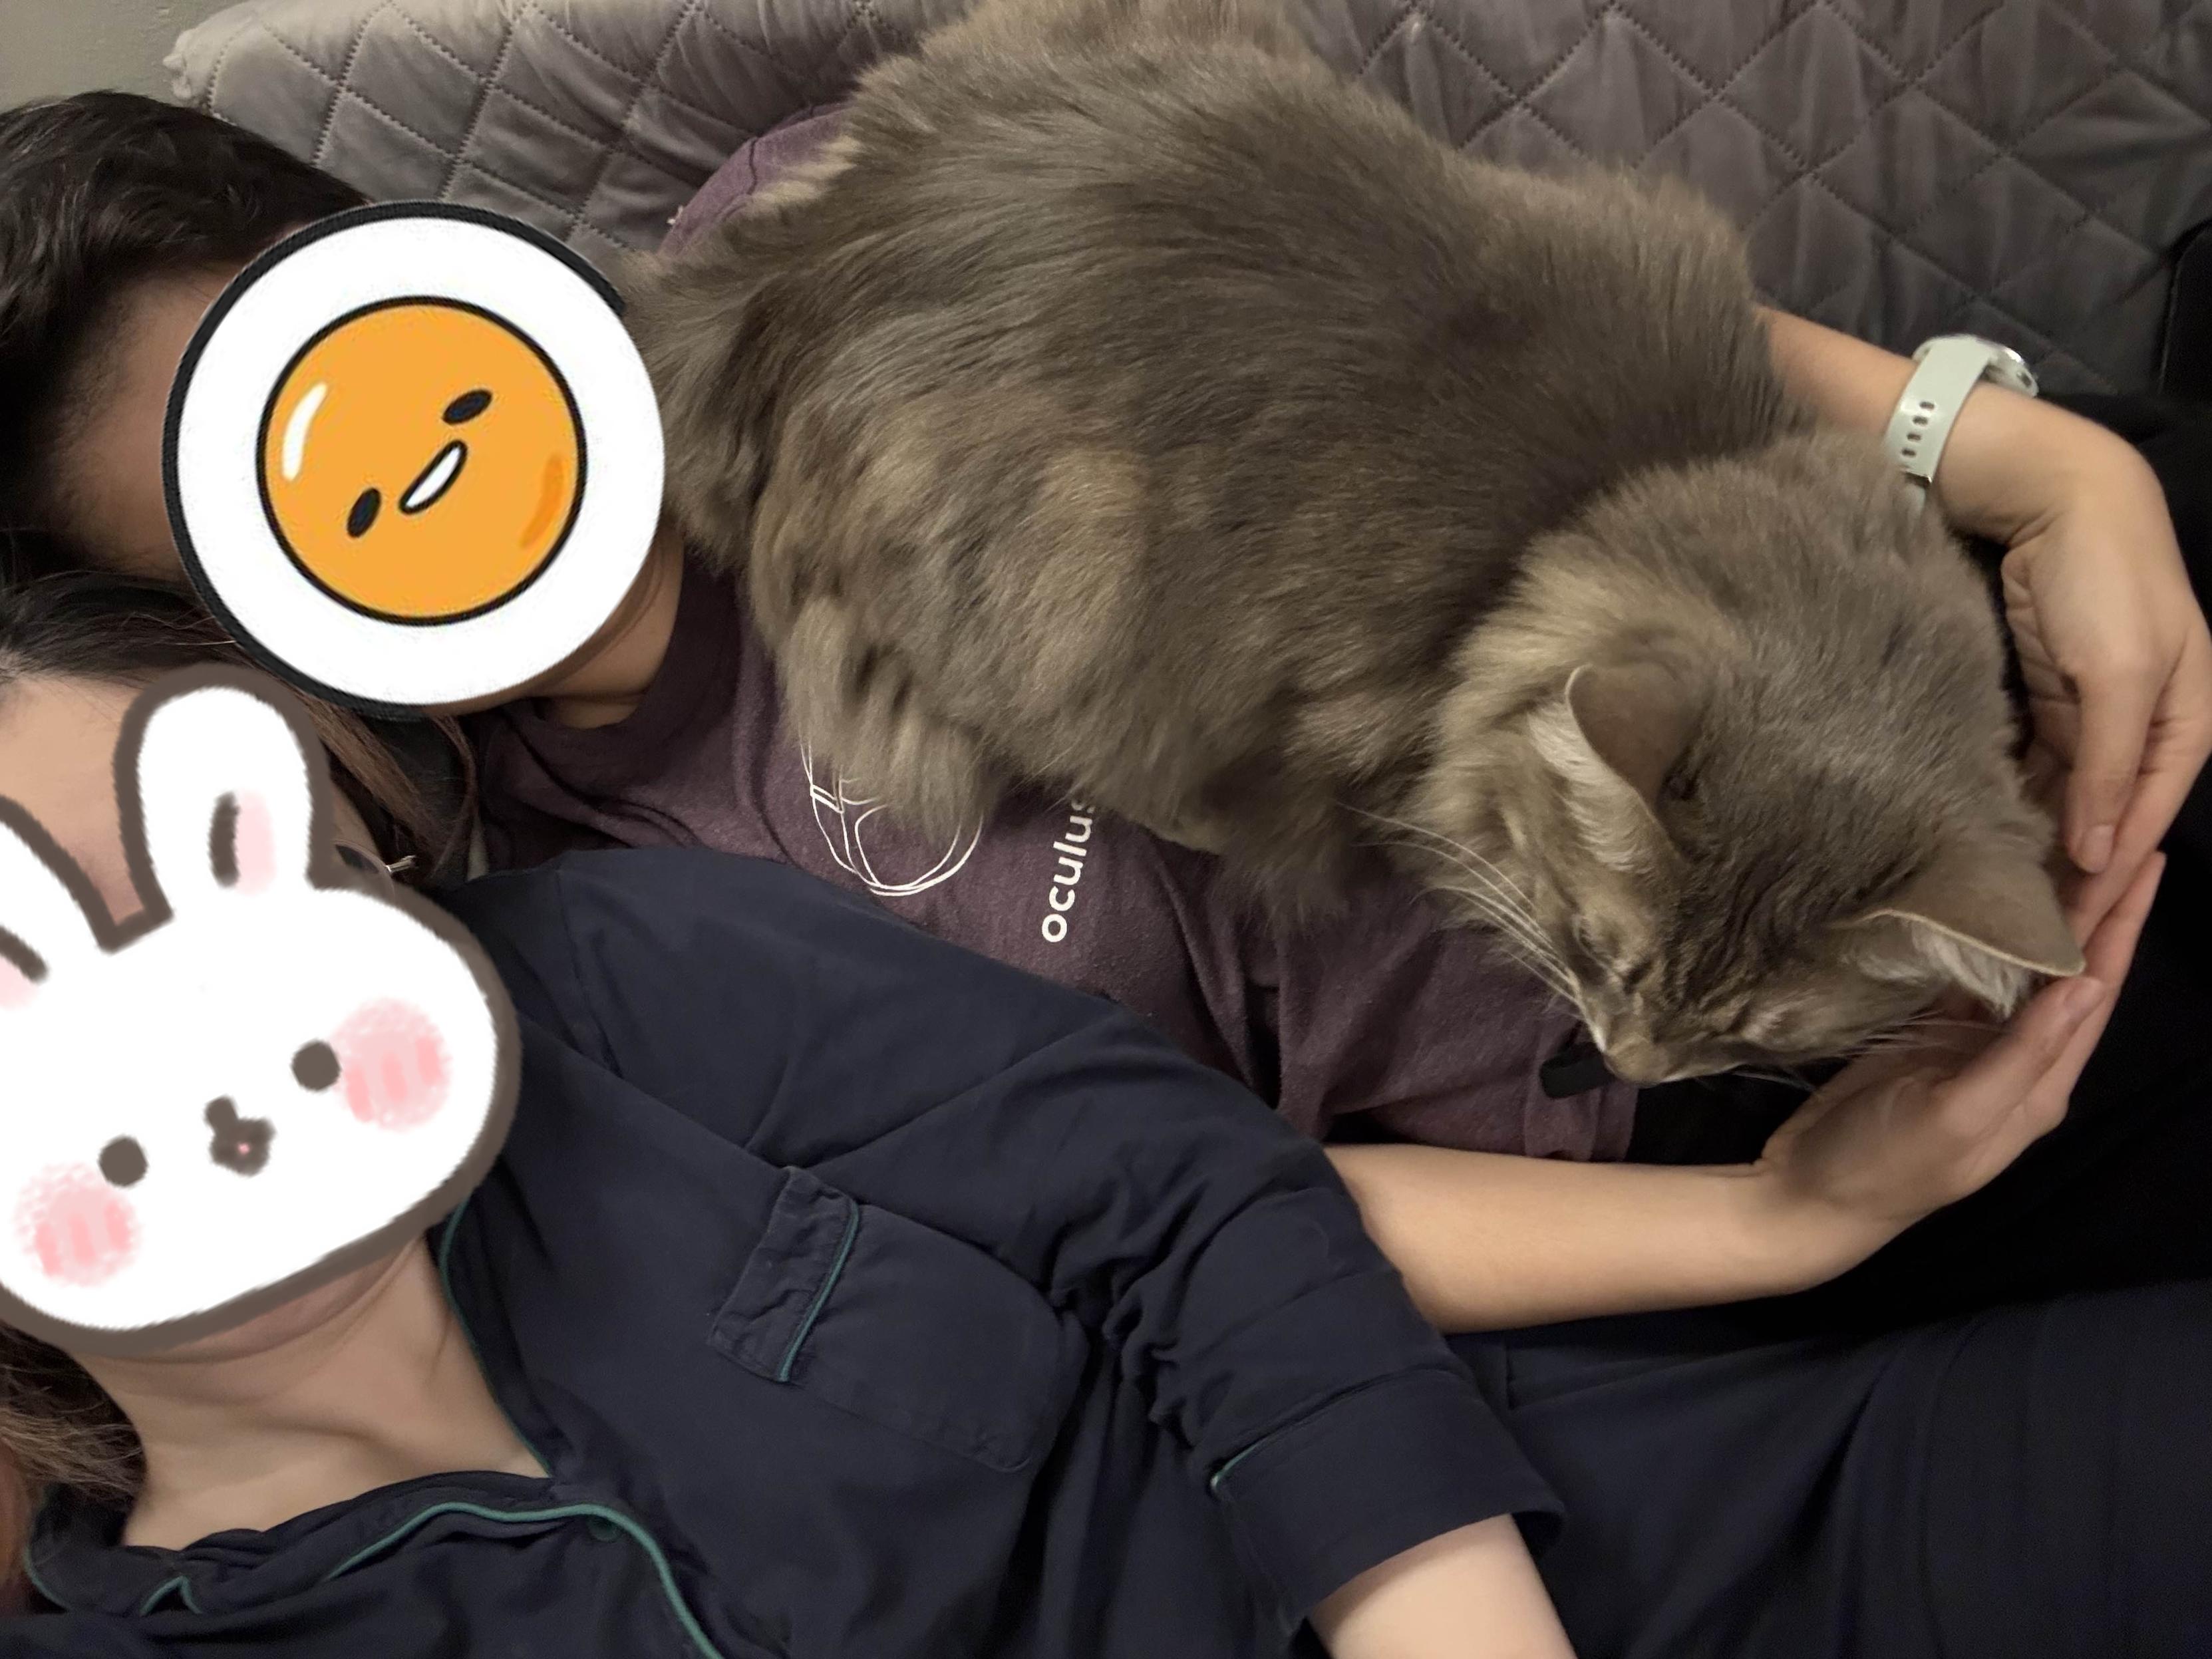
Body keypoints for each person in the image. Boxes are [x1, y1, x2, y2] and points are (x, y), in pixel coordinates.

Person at [1, 92, 2208, 1339]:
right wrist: (1789, 1219)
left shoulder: (826, 227)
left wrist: (2028, 462)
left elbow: (1507, 310)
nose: (403, 495)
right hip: (1712, 1109)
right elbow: (1182, 1205)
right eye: (260, 529)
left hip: (1871, 637)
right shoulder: (604, 944)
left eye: (339, 375)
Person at [0, 570, 2197, 1659]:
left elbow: (1176, 1194)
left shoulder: (598, 972)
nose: (187, 1057)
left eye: (221, 893)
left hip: (1563, 1519)